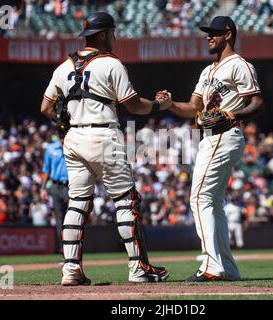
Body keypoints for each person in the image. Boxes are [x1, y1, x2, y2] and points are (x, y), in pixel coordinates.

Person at [40, 12, 171, 286]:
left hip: (73, 137)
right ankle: (138, 268)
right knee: (126, 200)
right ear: (102, 35)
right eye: (112, 32)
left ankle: (70, 270)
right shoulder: (111, 64)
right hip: (103, 134)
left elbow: (46, 108)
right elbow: (134, 105)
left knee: (77, 203)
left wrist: (64, 121)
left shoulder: (63, 66)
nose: (114, 37)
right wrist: (160, 105)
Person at [157, 16, 264, 281]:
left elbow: (257, 102)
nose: (209, 37)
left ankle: (211, 266)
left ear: (228, 34)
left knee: (199, 198)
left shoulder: (240, 65)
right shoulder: (207, 71)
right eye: (207, 33)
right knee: (213, 202)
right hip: (209, 137)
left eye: (214, 33)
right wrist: (170, 104)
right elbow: (193, 108)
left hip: (224, 134)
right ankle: (227, 267)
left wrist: (235, 116)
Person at [41, 135, 69, 252]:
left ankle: (73, 249)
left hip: (70, 186)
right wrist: (43, 188)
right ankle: (63, 249)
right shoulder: (51, 148)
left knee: (71, 218)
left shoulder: (74, 146)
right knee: (59, 219)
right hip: (55, 186)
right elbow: (46, 169)